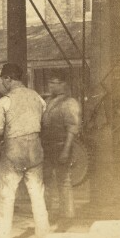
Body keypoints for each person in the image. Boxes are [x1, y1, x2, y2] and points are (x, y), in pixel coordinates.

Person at [0, 63, 50, 238]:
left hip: (14, 150)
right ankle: (43, 235)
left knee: (7, 196)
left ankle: (3, 237)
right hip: (35, 148)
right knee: (37, 194)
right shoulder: (37, 97)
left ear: (8, 78)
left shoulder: (5, 100)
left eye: (3, 79)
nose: (3, 83)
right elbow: (43, 123)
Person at [42, 70, 82, 219]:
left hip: (61, 145)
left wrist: (66, 151)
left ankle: (68, 214)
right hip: (47, 146)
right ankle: (49, 213)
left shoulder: (70, 103)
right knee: (47, 181)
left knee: (63, 180)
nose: (51, 86)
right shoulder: (47, 102)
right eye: (50, 83)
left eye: (55, 83)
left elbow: (72, 129)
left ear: (64, 84)